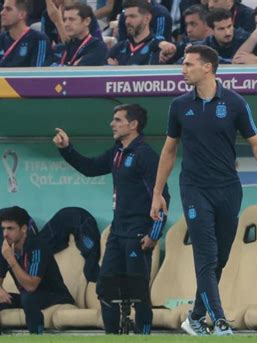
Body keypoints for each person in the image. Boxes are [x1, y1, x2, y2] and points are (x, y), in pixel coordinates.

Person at [150, 45, 257, 336]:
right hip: (194, 188)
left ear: (207, 67)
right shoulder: (179, 105)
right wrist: (157, 193)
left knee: (219, 258)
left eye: (188, 64)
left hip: (228, 190)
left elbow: (256, 143)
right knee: (206, 257)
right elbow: (169, 151)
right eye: (182, 64)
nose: (182, 69)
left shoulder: (235, 103)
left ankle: (195, 317)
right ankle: (219, 320)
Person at [53, 104, 170, 334]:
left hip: (138, 234)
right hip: (117, 234)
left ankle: (144, 337)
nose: (112, 124)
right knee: (105, 289)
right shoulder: (116, 152)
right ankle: (112, 337)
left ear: (133, 124)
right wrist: (67, 149)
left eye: (117, 120)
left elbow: (163, 196)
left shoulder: (145, 155)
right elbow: (89, 168)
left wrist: (154, 234)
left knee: (138, 292)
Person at [0, 206, 74, 335]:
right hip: (29, 297)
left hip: (55, 296)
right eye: (3, 229)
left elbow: (31, 286)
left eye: (10, 228)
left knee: (28, 297)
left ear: (24, 229)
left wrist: (10, 259)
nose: (5, 234)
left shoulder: (38, 247)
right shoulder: (5, 248)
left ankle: (35, 337)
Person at [107, 0, 176, 65]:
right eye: (126, 17)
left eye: (132, 16)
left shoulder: (157, 51)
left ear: (147, 18)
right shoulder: (117, 50)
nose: (127, 21)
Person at [0, 0, 52, 67]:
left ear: (22, 14)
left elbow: (37, 75)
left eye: (8, 9)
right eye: (3, 9)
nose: (2, 13)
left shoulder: (39, 39)